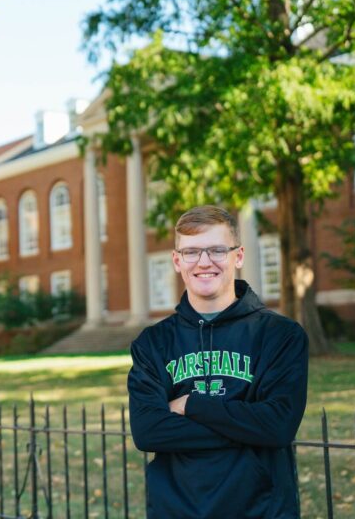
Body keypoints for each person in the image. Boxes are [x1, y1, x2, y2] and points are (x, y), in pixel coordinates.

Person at [128, 205, 308, 518]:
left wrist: (190, 405)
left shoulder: (280, 335)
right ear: (177, 260)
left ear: (238, 256)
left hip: (260, 510)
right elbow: (148, 432)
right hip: (176, 510)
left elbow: (278, 427)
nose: (204, 262)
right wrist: (248, 426)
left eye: (216, 250)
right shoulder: (152, 344)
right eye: (192, 252)